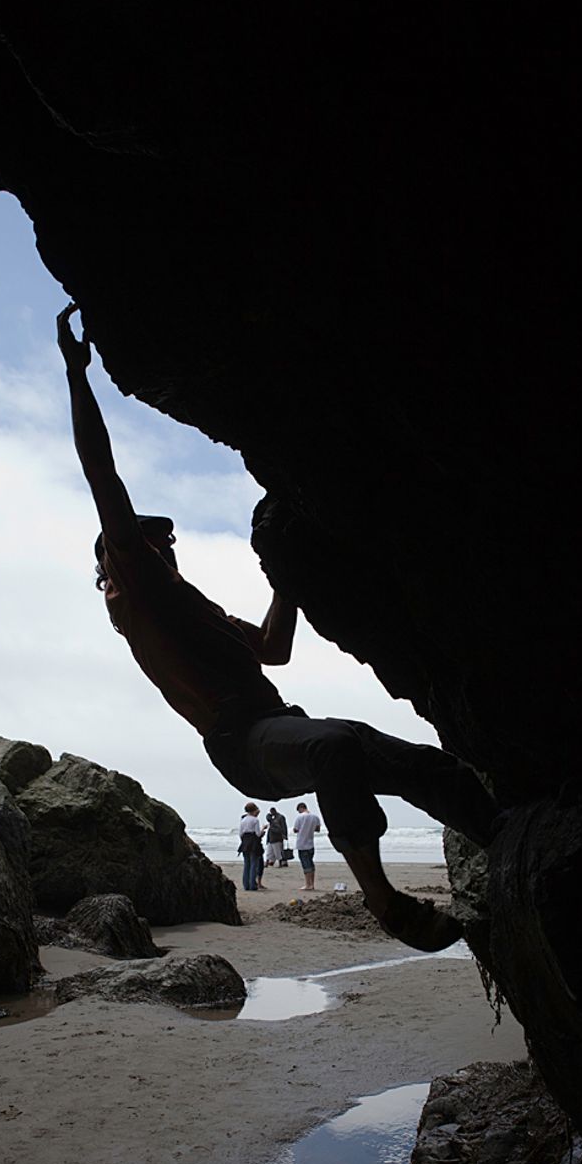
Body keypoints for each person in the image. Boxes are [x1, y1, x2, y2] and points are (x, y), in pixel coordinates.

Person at [57, 303, 499, 951]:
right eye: (152, 540)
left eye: (167, 539)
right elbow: (102, 474)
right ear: (119, 561)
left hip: (279, 721)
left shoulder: (197, 609)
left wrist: (285, 579)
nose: (164, 544)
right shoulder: (138, 594)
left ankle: (510, 849)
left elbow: (274, 649)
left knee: (434, 771)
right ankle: (382, 899)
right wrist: (78, 375)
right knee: (333, 750)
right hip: (244, 742)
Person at [292, 802, 322, 890]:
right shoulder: (315, 817)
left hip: (302, 843)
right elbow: (318, 829)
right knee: (311, 864)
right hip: (310, 843)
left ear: (300, 808)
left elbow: (295, 829)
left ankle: (307, 884)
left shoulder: (300, 817)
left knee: (306, 865)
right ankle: (312, 884)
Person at [238, 802, 264, 891]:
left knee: (246, 864)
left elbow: (240, 833)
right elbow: (257, 833)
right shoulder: (255, 820)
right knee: (254, 864)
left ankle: (246, 884)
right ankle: (252, 884)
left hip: (245, 841)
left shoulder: (243, 820)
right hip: (253, 842)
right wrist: (263, 830)